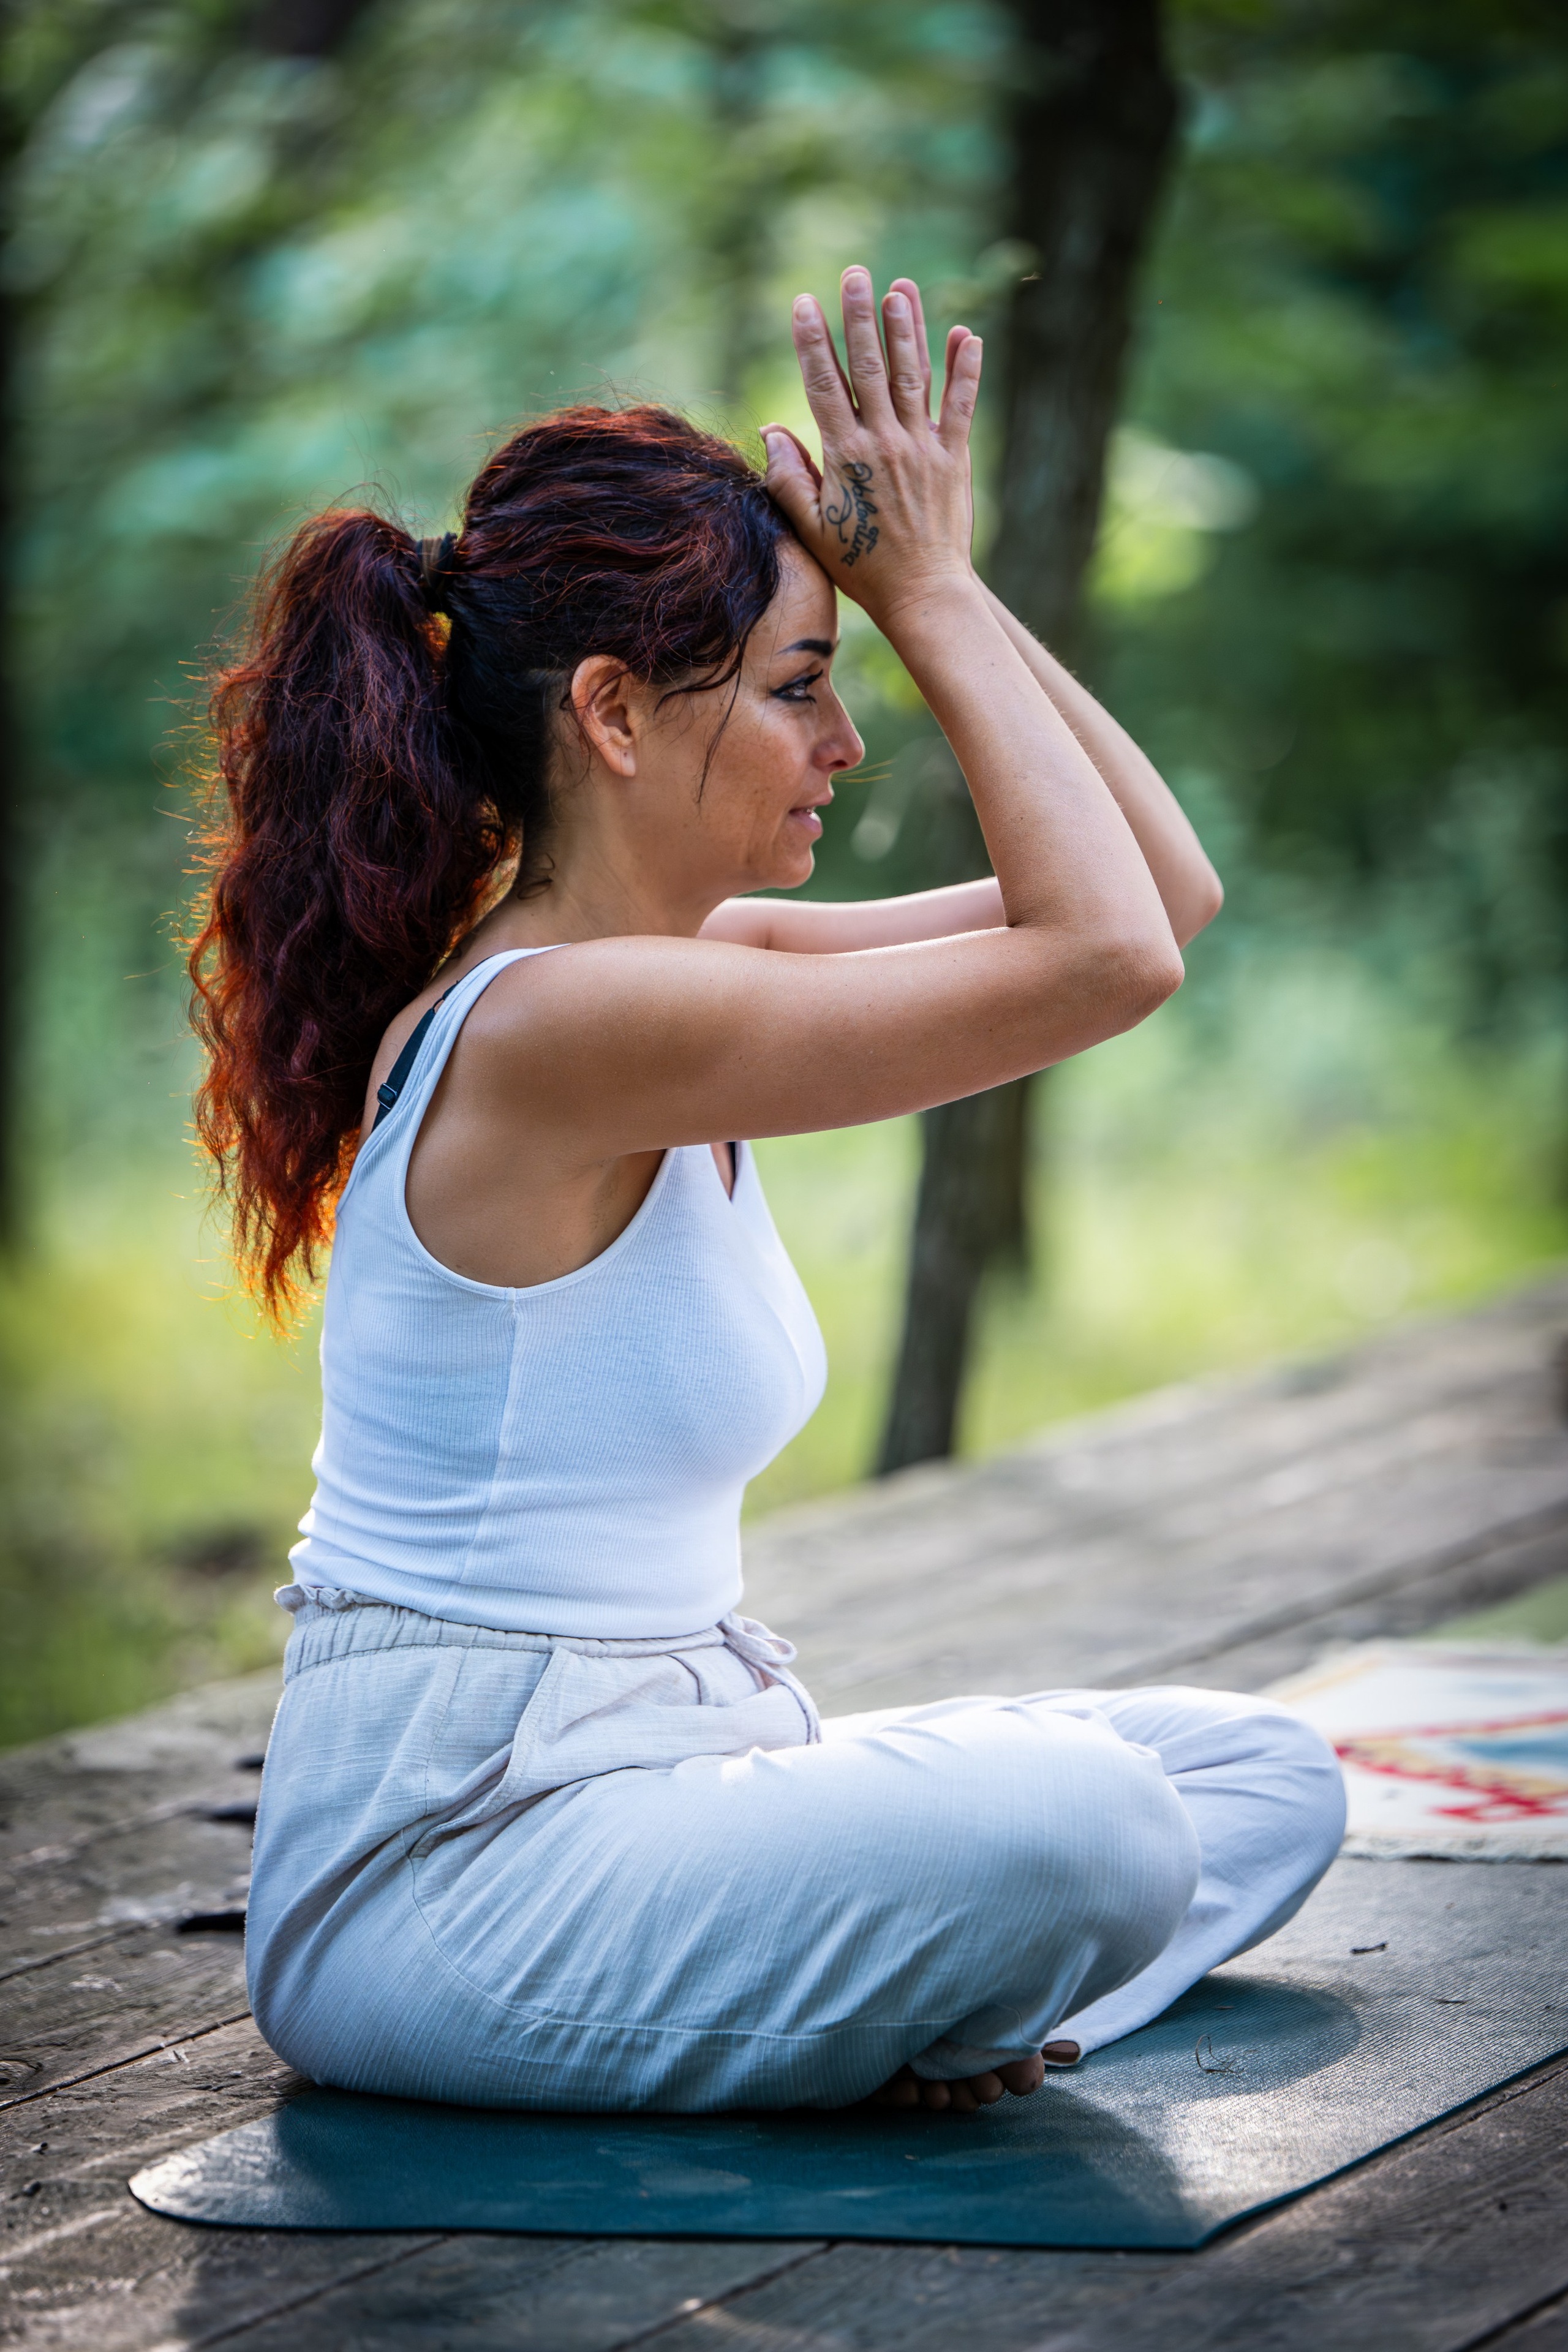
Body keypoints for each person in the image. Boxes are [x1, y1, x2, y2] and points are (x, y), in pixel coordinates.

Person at [192, 268, 1344, 2117]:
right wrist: (934, 592)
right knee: (1094, 1831)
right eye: (808, 687)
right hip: (451, 1888)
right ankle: (920, 2012)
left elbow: (1159, 896)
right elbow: (1105, 960)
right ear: (617, 715)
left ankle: (930, 2018)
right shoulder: (571, 1020)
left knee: (1262, 1777)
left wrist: (925, 592)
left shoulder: (692, 964)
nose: (850, 743)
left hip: (671, 1798)